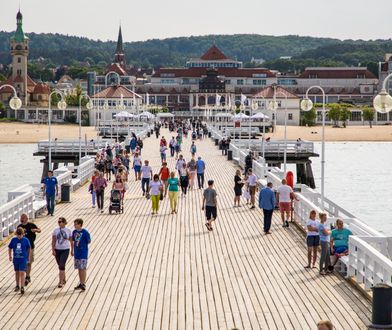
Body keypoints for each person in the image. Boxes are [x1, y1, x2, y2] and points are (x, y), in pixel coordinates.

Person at [17, 213, 41, 286]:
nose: (22, 219)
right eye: (21, 217)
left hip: (30, 246)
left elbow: (39, 230)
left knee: (29, 262)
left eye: (23, 217)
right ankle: (24, 277)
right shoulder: (19, 226)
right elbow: (16, 233)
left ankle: (27, 276)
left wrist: (35, 230)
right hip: (21, 248)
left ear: (27, 218)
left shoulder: (31, 225)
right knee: (22, 263)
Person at [8, 227, 31, 294]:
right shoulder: (13, 240)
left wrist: (28, 257)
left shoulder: (26, 240)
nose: (19, 236)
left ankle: (22, 286)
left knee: (22, 272)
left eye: (20, 234)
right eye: (18, 235)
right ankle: (17, 285)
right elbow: (10, 247)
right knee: (17, 272)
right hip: (16, 259)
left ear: (23, 234)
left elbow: (29, 248)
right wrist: (10, 256)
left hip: (23, 259)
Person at [52, 217, 73, 288]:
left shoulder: (68, 230)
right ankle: (63, 278)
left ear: (64, 222)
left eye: (61, 222)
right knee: (60, 265)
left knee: (61, 264)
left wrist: (72, 250)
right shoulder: (55, 230)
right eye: (58, 222)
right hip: (57, 249)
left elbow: (71, 240)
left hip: (65, 249)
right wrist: (53, 249)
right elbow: (54, 240)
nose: (59, 223)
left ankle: (60, 282)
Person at [72, 218, 91, 291]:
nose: (74, 225)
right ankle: (80, 282)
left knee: (83, 268)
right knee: (79, 268)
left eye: (76, 224)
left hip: (83, 252)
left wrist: (82, 244)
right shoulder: (74, 232)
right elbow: (73, 239)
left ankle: (83, 283)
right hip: (77, 253)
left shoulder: (85, 232)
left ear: (80, 224)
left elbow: (89, 240)